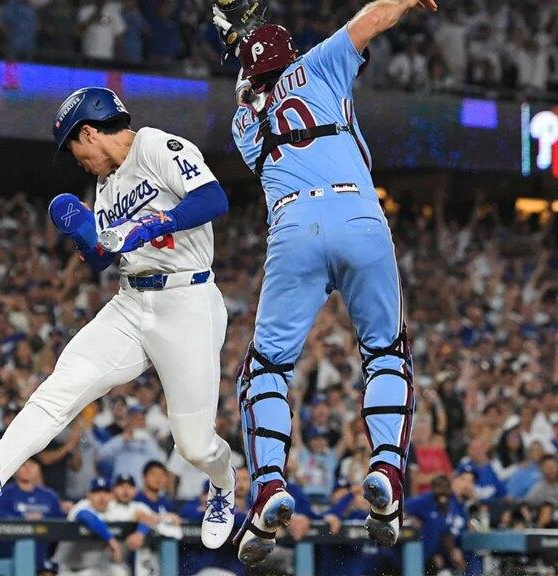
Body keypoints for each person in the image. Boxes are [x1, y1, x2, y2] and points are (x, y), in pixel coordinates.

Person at [0, 86, 237, 549]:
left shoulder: (156, 146)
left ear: (88, 132)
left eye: (72, 147)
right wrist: (86, 236)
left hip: (187, 301)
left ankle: (224, 483)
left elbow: (213, 199)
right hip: (131, 302)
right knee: (63, 385)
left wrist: (152, 224)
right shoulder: (105, 185)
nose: (76, 160)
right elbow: (105, 257)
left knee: (194, 445)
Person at [219, 0, 437, 564]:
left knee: (267, 367)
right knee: (386, 353)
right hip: (359, 212)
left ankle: (269, 485)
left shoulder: (243, 124)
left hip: (294, 225)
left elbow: (254, 91)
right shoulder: (316, 65)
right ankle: (386, 471)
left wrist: (244, 52)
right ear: (290, 56)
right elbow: (374, 17)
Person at [52, 477, 128, 576]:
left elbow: (141, 515)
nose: (102, 497)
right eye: (97, 492)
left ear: (111, 495)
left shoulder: (113, 509)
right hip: (69, 570)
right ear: (89, 495)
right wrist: (111, 540)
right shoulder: (80, 507)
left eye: (106, 492)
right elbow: (86, 516)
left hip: (95, 569)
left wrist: (140, 532)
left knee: (120, 572)